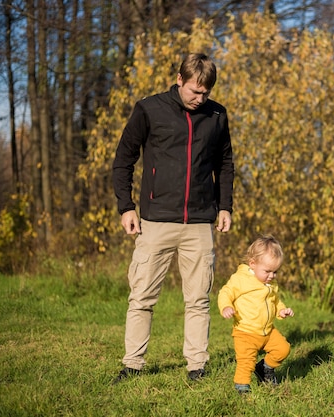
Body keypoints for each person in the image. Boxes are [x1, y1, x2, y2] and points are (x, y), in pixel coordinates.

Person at [112, 53, 234, 383]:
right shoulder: (149, 109)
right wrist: (126, 206)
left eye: (206, 92)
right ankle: (132, 366)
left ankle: (197, 366)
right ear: (179, 80)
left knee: (198, 300)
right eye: (195, 91)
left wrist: (225, 207)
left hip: (199, 222)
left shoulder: (217, 115)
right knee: (141, 298)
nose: (200, 98)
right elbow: (123, 158)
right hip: (155, 221)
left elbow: (225, 164)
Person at [218, 235, 294, 393]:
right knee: (246, 362)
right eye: (267, 271)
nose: (272, 276)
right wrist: (225, 306)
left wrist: (282, 310)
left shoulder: (270, 283)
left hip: (267, 330)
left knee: (283, 349)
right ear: (252, 264)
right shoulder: (241, 279)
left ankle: (265, 368)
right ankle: (242, 388)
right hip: (245, 331)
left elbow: (275, 300)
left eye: (275, 271)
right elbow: (226, 292)